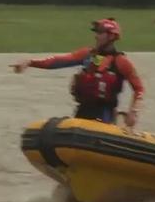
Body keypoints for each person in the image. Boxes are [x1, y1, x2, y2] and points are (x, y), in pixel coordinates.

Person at [10, 18, 144, 127]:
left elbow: (139, 89)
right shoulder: (88, 55)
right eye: (96, 32)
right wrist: (30, 62)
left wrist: (133, 112)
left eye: (100, 33)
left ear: (111, 36)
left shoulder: (120, 62)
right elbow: (58, 61)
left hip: (105, 113)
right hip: (83, 110)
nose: (96, 36)